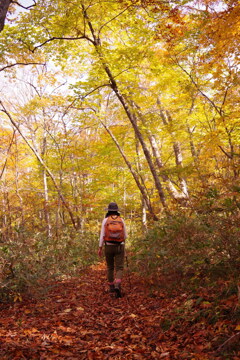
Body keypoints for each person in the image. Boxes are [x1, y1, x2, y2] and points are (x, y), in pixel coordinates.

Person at [98, 202, 127, 298]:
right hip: (120, 245)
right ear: (117, 211)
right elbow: (125, 235)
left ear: (108, 211)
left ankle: (111, 287)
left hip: (108, 246)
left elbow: (102, 235)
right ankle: (117, 284)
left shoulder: (105, 220)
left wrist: (100, 247)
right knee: (119, 267)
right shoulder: (121, 220)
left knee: (110, 267)